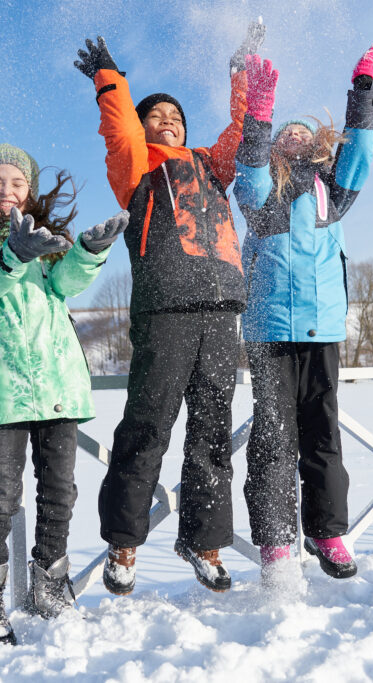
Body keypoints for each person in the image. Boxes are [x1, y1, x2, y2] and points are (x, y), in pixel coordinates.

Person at [73, 25, 263, 594]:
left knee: (210, 432)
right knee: (148, 426)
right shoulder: (137, 169)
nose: (169, 122)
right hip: (166, 310)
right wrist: (112, 82)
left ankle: (205, 543)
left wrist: (242, 70)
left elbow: (244, 129)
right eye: (157, 116)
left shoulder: (210, 165)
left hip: (220, 311)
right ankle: (124, 545)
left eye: (176, 117)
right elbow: (123, 131)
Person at [0, 143, 128, 644]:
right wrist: (11, 254)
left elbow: (67, 283)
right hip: (2, 390)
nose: (6, 191)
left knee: (59, 492)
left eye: (17, 183)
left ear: (28, 192)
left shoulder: (47, 241)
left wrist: (89, 252)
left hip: (57, 384)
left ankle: (50, 584)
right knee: (0, 496)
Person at [233, 34, 373, 584]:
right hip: (269, 327)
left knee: (323, 433)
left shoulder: (332, 189)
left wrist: (364, 84)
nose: (292, 134)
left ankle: (326, 531)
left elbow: (361, 152)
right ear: (276, 146)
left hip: (321, 325)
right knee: (274, 435)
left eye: (301, 129)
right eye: (284, 132)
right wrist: (259, 111)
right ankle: (276, 544)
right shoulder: (261, 191)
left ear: (316, 143)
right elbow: (247, 170)